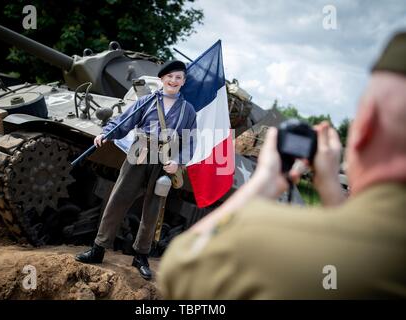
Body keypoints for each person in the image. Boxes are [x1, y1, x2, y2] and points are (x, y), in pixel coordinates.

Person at [158, 33, 406, 298]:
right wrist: (334, 190)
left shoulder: (272, 237)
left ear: (365, 128)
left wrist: (264, 180)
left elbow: (181, 266)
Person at [75, 60, 196, 280]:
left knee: (152, 210)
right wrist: (106, 133)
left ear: (183, 82)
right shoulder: (146, 101)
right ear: (162, 79)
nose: (173, 81)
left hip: (165, 159)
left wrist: (178, 161)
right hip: (139, 152)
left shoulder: (188, 110)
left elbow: (189, 141)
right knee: (118, 200)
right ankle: (98, 248)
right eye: (170, 76)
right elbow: (124, 122)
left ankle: (140, 256)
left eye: (178, 77)